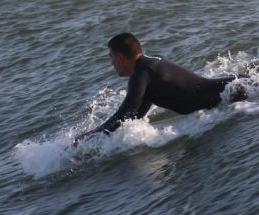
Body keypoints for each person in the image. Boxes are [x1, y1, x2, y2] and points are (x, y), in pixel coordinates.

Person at [72, 33, 248, 146]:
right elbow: (134, 117)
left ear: (120, 57)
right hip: (232, 90)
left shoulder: (142, 74)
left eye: (111, 58)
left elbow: (125, 114)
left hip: (234, 93)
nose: (111, 63)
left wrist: (88, 138)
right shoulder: (149, 67)